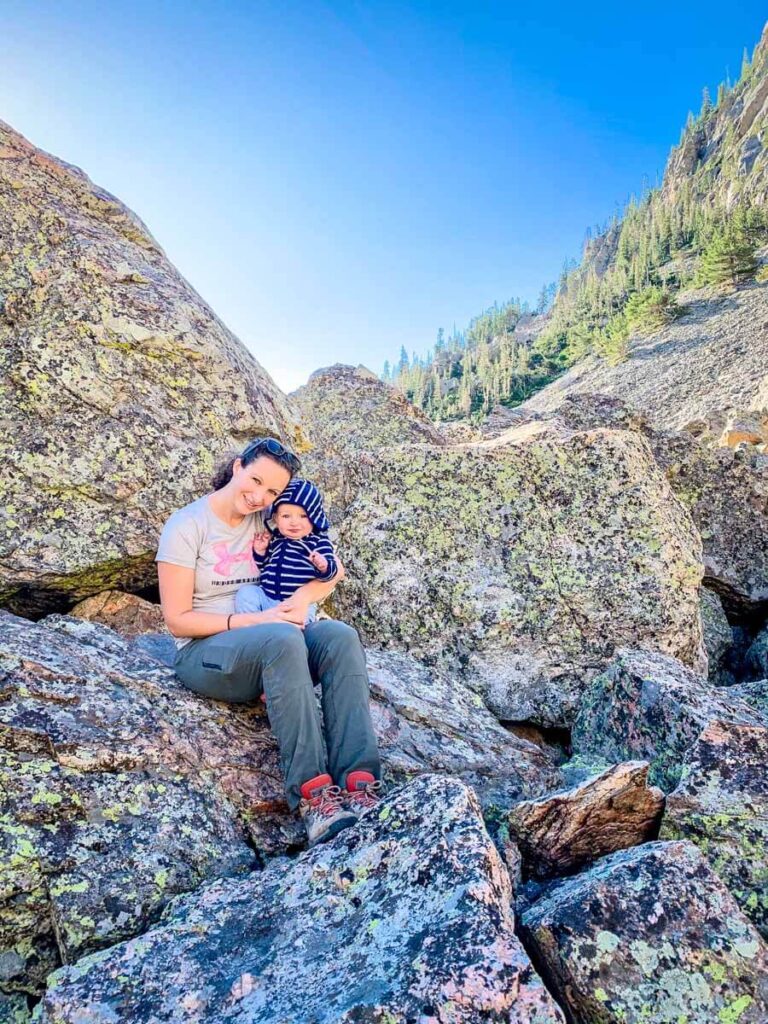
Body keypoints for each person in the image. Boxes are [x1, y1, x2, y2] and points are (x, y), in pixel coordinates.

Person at [155, 437, 382, 847]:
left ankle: (359, 781)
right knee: (281, 638)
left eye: (273, 492)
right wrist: (256, 619)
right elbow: (176, 620)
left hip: (275, 638)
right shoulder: (187, 525)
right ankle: (314, 795)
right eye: (255, 480)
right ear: (238, 466)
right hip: (208, 653)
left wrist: (302, 599)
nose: (260, 496)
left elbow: (333, 570)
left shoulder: (269, 519)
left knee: (339, 636)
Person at [234, 478, 338, 624]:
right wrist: (260, 551)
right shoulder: (277, 539)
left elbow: (331, 573)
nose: (294, 522)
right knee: (246, 593)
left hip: (295, 604)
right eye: (286, 516)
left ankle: (288, 633)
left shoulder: (317, 542)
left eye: (303, 516)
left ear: (314, 517)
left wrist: (324, 565)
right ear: (276, 518)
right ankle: (252, 630)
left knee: (299, 617)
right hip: (267, 597)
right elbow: (265, 567)